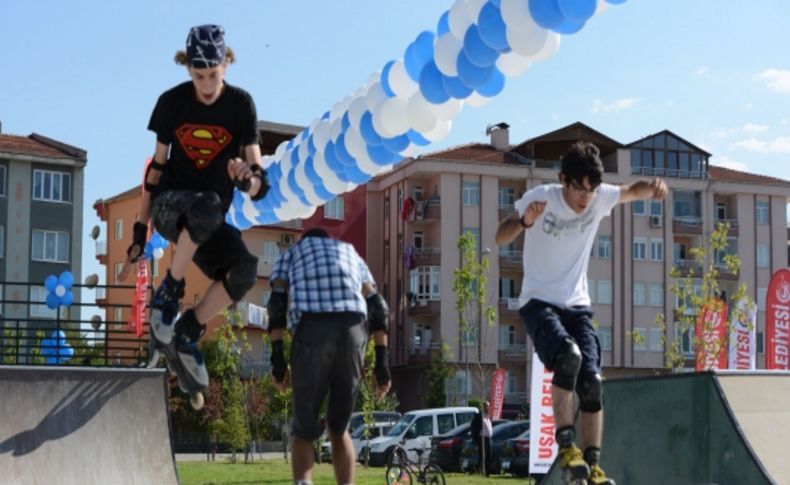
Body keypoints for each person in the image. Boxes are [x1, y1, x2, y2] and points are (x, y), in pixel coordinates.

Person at [495, 141, 668, 485]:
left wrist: (650, 188)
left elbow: (628, 191)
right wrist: (524, 221)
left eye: (590, 189)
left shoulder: (599, 196)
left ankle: (592, 466)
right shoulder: (542, 197)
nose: (585, 197)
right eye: (578, 188)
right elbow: (501, 236)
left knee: (592, 382)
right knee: (568, 358)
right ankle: (566, 448)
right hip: (538, 302)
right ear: (563, 180)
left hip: (577, 305)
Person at [122, 24, 269, 386]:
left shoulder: (241, 105)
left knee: (245, 270)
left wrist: (244, 177)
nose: (206, 86)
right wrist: (140, 235)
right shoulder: (172, 103)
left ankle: (187, 332)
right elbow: (155, 171)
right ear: (188, 69)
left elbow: (258, 184)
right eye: (199, 76)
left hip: (209, 216)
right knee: (206, 206)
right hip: (172, 207)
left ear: (227, 65)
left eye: (214, 76)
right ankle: (169, 294)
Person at [267, 227, 391, 485]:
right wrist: (383, 366)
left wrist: (278, 362)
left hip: (313, 330)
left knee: (304, 429)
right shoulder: (350, 253)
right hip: (353, 330)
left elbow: (277, 301)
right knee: (338, 427)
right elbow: (378, 306)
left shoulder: (292, 252)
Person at [469, 401, 492, 476]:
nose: (487, 408)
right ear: (483, 407)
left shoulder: (488, 416)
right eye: (486, 406)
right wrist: (475, 438)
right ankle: (478, 471)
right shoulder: (479, 416)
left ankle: (487, 472)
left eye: (488, 406)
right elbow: (473, 426)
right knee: (482, 456)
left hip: (488, 439)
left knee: (489, 455)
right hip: (481, 439)